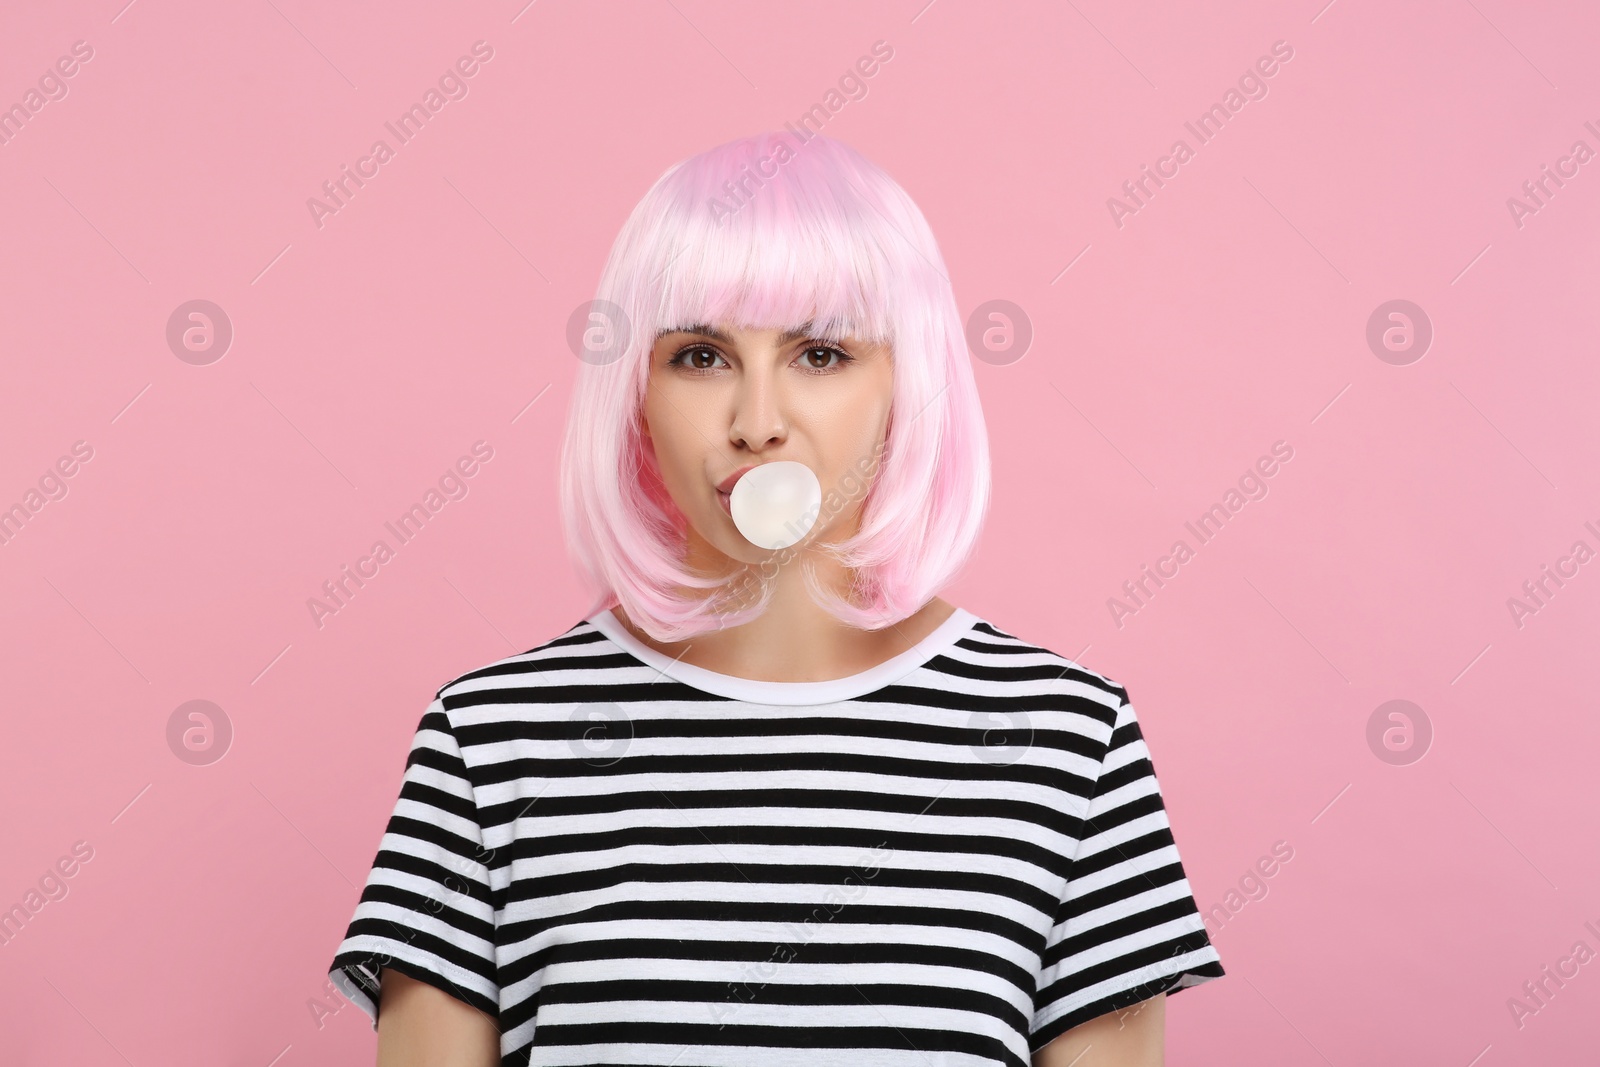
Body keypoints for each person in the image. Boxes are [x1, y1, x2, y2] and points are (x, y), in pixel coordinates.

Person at [327, 130, 1224, 1067]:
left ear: (906, 386)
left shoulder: (1069, 741)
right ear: (634, 392)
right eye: (702, 357)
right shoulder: (491, 739)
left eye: (823, 354)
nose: (757, 424)